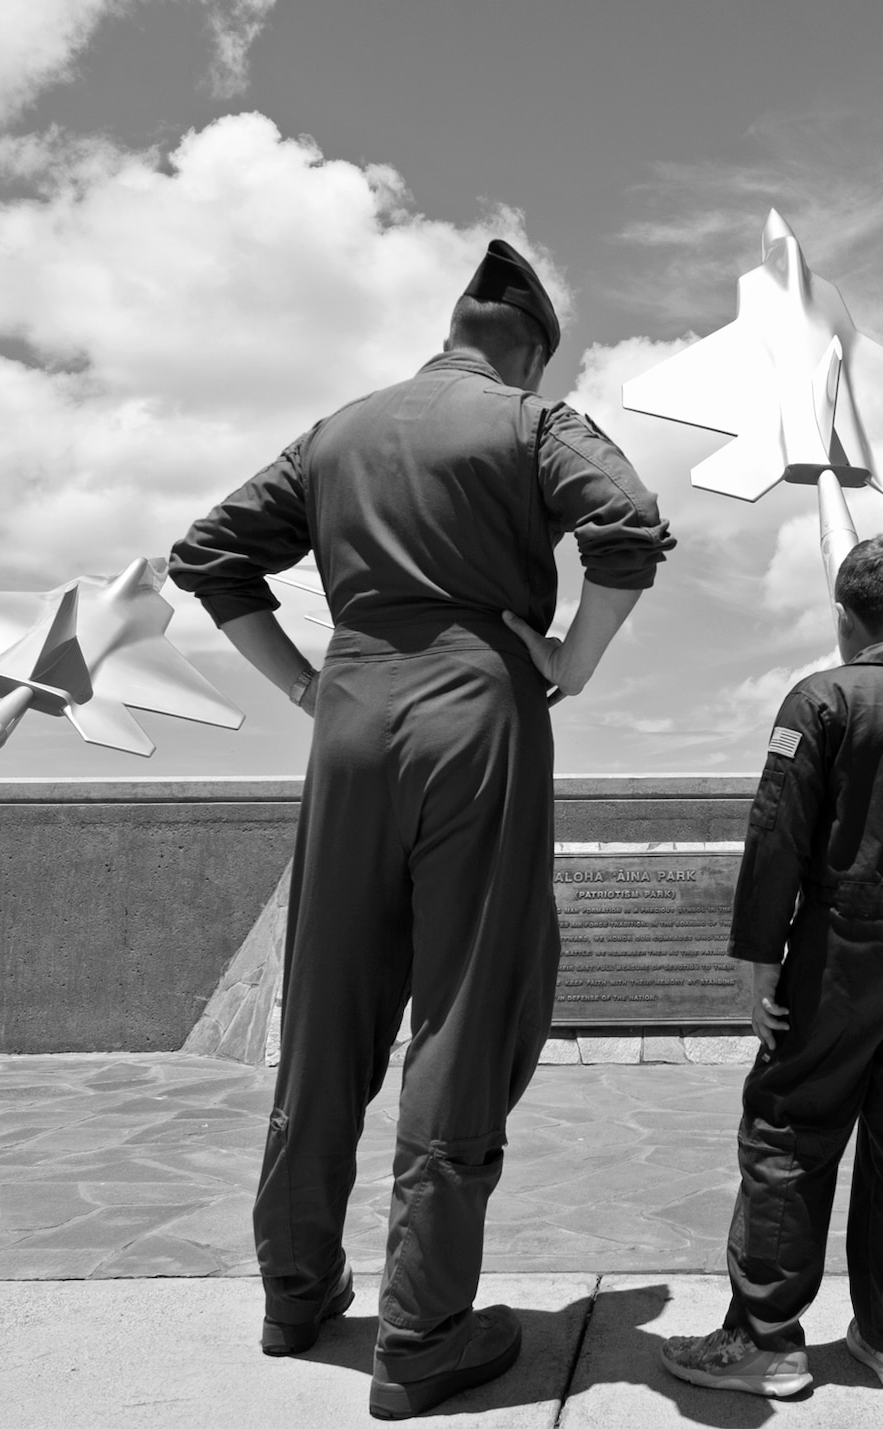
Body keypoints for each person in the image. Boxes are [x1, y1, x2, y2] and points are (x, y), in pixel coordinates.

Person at [168, 240, 673, 1420]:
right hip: (477, 711)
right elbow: (628, 529)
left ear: (448, 332)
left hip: (347, 718)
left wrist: (305, 686)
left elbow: (208, 556)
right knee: (464, 1005)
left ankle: (295, 1294)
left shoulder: (333, 433)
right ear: (530, 353)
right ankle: (421, 1331)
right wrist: (570, 661)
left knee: (326, 1007)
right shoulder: (533, 423)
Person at [658, 532, 883, 1403]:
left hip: (846, 946)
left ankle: (765, 1340)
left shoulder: (820, 700)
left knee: (789, 1125)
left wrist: (756, 957)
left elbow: (777, 832)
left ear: (844, 617)